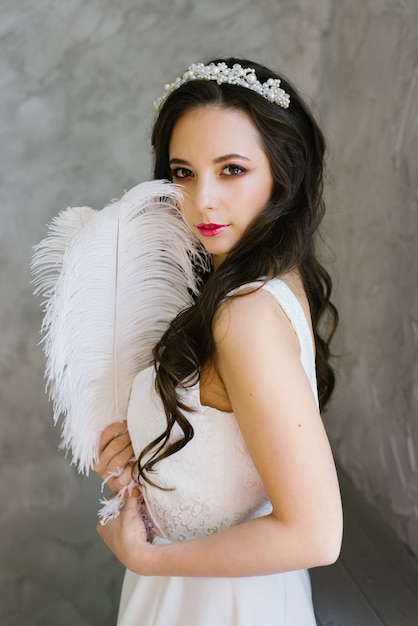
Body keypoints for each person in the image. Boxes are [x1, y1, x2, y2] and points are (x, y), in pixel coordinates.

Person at [94, 58, 343, 626]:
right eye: (182, 172)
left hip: (217, 604)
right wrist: (137, 471)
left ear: (283, 172)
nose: (202, 200)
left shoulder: (245, 313)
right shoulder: (272, 277)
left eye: (231, 170)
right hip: (221, 586)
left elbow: (317, 533)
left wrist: (145, 556)